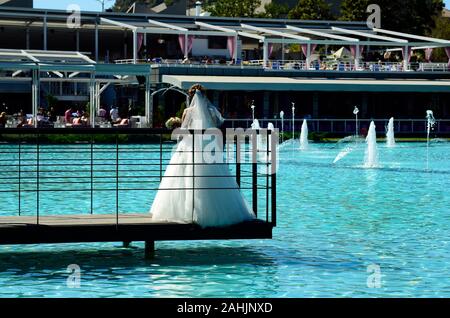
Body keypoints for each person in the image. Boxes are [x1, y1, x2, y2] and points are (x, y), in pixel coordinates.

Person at [150, 85, 255, 228]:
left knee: (183, 175)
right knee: (213, 177)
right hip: (208, 146)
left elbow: (185, 130)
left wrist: (175, 125)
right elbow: (216, 127)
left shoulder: (188, 111)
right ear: (204, 95)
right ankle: (215, 212)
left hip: (190, 146)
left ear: (191, 96)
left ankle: (186, 211)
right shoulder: (212, 111)